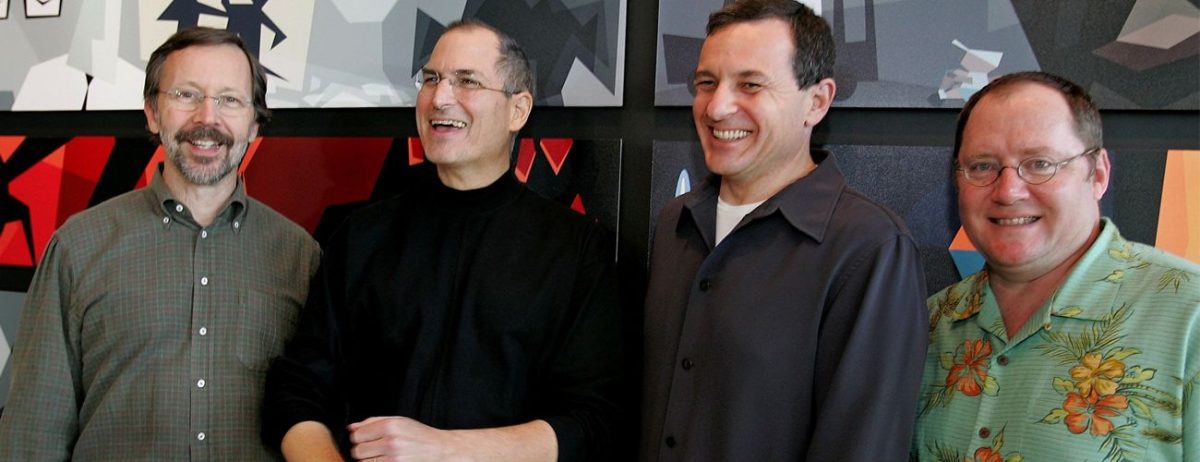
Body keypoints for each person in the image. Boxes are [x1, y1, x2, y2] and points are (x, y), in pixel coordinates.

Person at [262, 20, 623, 461]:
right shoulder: (362, 236)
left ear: (518, 110)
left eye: (467, 81)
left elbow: (594, 422)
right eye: (431, 78)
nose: (440, 97)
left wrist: (444, 448)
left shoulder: (575, 249)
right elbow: (298, 388)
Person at [0, 27, 320, 460]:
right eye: (186, 95)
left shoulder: (301, 258)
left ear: (254, 123)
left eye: (230, 100)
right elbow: (33, 433)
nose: (207, 118)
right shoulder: (78, 248)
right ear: (152, 113)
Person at [640, 0, 928, 460]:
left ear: (816, 101)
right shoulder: (676, 222)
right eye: (706, 83)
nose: (717, 107)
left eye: (750, 85)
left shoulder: (869, 248)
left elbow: (861, 446)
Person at [914, 72, 1199, 460]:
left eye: (1040, 163)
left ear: (1098, 173)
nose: (1008, 191)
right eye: (982, 166)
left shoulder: (1190, 317)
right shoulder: (928, 326)